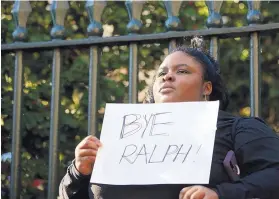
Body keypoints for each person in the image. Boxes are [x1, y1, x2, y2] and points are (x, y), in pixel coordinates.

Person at [59, 37, 279, 199]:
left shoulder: (238, 129)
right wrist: (78, 172)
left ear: (207, 88)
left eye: (182, 71)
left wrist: (220, 194)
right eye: (161, 73)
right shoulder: (119, 136)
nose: (168, 76)